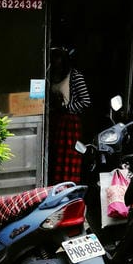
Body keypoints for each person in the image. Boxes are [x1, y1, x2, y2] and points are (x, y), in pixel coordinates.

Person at [47, 45, 91, 183]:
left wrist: (66, 108)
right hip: (56, 121)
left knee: (68, 157)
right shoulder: (52, 76)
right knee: (56, 158)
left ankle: (68, 186)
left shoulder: (75, 76)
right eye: (54, 57)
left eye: (58, 57)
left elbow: (85, 101)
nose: (55, 61)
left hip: (69, 123)